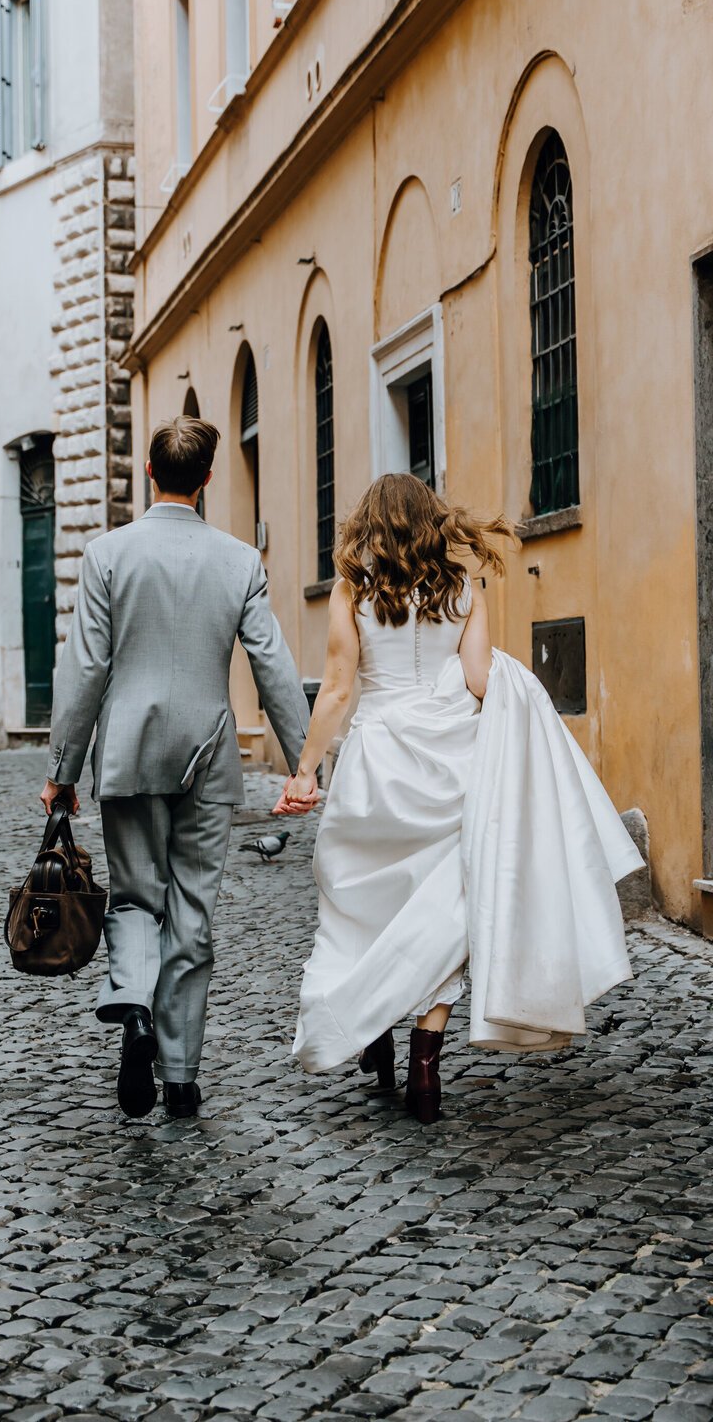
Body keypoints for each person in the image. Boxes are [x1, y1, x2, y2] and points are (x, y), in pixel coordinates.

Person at [278, 472, 644, 1124]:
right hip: (450, 765)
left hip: (376, 770)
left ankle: (370, 1027)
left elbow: (336, 688)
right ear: (432, 523)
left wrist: (305, 771)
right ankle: (425, 1062)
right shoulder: (462, 588)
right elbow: (479, 680)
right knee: (446, 914)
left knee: (360, 909)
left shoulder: (353, 589)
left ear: (369, 526)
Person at [42, 416, 311, 1123]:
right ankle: (183, 1078)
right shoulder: (240, 561)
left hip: (128, 752)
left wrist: (63, 768)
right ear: (209, 479)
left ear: (150, 472)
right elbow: (273, 664)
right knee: (193, 910)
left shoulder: (106, 555)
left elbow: (85, 670)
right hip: (208, 755)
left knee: (136, 898)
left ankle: (133, 1005)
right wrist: (303, 762)